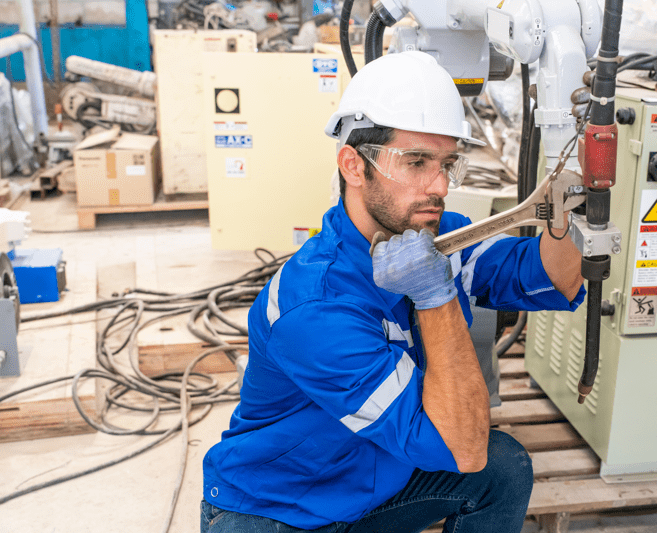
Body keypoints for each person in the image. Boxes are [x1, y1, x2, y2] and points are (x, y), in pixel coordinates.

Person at [201, 51, 584, 533]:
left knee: (502, 469)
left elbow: (553, 275)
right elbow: (461, 447)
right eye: (416, 162)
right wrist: (434, 296)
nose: (440, 185)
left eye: (447, 163)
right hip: (281, 510)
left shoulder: (440, 237)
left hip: (375, 482)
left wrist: (575, 213)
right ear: (353, 166)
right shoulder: (314, 307)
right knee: (473, 451)